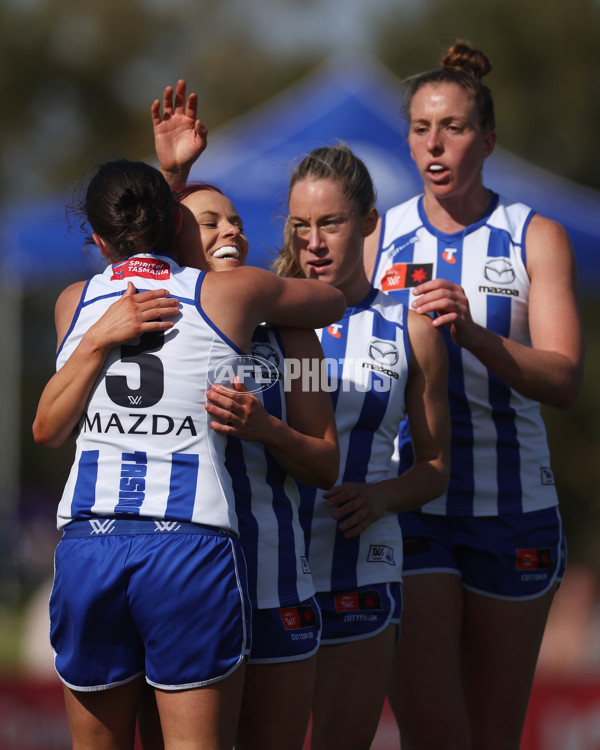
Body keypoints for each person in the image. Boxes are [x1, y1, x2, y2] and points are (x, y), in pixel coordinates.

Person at [32, 159, 345, 750]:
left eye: (237, 221)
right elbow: (328, 298)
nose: (230, 231)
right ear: (176, 227)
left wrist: (271, 432)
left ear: (99, 240)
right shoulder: (234, 298)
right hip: (193, 553)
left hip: (264, 576)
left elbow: (327, 463)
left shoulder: (290, 337)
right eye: (210, 221)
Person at [362, 40, 585, 750]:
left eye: (453, 126)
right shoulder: (379, 238)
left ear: (486, 140)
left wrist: (476, 334)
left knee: (492, 735)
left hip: (513, 510)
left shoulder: (534, 237)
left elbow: (565, 378)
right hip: (414, 507)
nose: (435, 142)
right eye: (422, 127)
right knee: (435, 732)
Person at [273, 144, 451, 750]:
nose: (314, 242)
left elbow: (434, 467)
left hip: (362, 566)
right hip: (270, 569)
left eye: (331, 223)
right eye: (301, 226)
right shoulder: (259, 313)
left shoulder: (412, 331)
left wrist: (379, 497)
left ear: (369, 223)